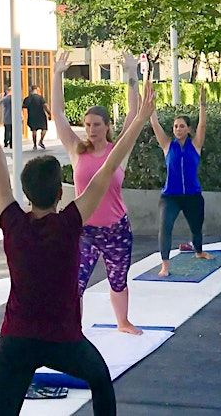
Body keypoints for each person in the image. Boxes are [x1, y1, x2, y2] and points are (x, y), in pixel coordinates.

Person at [0, 72, 155, 416]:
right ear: (59, 193)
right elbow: (110, 165)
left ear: (26, 194)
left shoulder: (12, 222)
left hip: (15, 340)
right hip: (62, 340)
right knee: (99, 379)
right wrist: (139, 118)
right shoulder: (69, 223)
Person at [50, 51, 143, 335]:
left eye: (96, 125)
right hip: (84, 230)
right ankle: (73, 328)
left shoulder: (118, 152)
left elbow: (135, 114)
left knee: (118, 280)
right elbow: (58, 114)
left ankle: (123, 322)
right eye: (88, 125)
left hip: (116, 229)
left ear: (107, 127)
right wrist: (57, 75)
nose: (90, 130)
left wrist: (131, 74)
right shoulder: (77, 151)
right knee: (74, 283)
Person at [150, 85, 212, 277]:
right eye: (175, 126)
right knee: (165, 227)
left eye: (182, 126)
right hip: (171, 196)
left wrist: (202, 105)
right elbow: (155, 125)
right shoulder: (168, 145)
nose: (178, 129)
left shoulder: (195, 145)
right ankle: (165, 264)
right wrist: (150, 105)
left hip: (193, 195)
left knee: (196, 227)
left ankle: (199, 251)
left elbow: (202, 126)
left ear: (188, 129)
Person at [24, 85, 50, 150]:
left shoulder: (27, 98)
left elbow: (23, 106)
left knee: (34, 130)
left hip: (32, 116)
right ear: (36, 90)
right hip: (41, 116)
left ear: (31, 90)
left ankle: (34, 145)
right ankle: (41, 141)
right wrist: (49, 113)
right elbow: (45, 106)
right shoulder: (40, 98)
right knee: (44, 129)